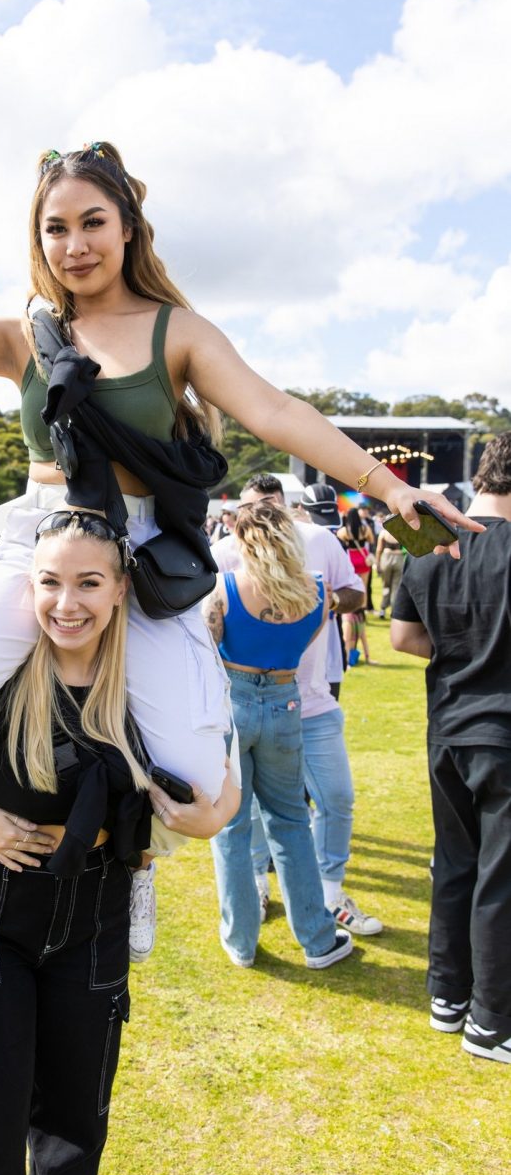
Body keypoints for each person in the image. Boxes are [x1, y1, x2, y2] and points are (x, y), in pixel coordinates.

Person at [0, 136, 478, 885]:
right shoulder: (25, 337)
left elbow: (275, 410)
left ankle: (134, 861)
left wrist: (390, 486)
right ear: (38, 239)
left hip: (139, 555)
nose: (75, 245)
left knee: (193, 772)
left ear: (128, 227)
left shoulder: (177, 332)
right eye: (56, 228)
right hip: (39, 541)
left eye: (92, 223)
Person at [0, 512, 237, 1175]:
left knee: (74, 1132)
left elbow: (224, 780)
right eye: (50, 583)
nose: (67, 604)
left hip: (95, 908)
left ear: (120, 588)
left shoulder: (148, 684)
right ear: (28, 586)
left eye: (89, 583)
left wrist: (211, 819)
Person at [217, 476, 382, 936]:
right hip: (261, 700)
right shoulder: (225, 555)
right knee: (255, 814)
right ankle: (264, 895)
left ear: (285, 508)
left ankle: (326, 896)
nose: (259, 517)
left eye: (267, 507)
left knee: (329, 800)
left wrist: (318, 602)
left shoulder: (319, 545)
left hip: (306, 698)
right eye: (251, 509)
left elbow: (352, 594)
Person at [390, 433, 510, 1063]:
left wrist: (463, 656)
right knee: (498, 875)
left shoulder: (432, 543)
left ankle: (449, 994)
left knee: (457, 862)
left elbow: (404, 638)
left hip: (449, 726)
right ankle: (491, 1021)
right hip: (500, 731)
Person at [204, 501, 355, 968]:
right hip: (286, 701)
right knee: (290, 819)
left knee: (232, 823)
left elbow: (207, 649)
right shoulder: (317, 591)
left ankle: (241, 940)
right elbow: (306, 642)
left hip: (235, 701)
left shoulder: (225, 589)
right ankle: (316, 938)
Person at [338, 508, 374, 665]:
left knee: (353, 585)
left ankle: (352, 609)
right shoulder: (365, 529)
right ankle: (361, 611)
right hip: (363, 557)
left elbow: (340, 542)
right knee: (364, 586)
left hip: (352, 557)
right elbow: (371, 540)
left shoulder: (344, 531)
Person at [375, 521, 404, 619]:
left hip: (386, 558)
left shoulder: (383, 533)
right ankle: (394, 610)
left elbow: (379, 549)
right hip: (399, 558)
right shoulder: (401, 532)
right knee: (396, 586)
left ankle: (382, 609)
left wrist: (377, 563)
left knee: (386, 585)